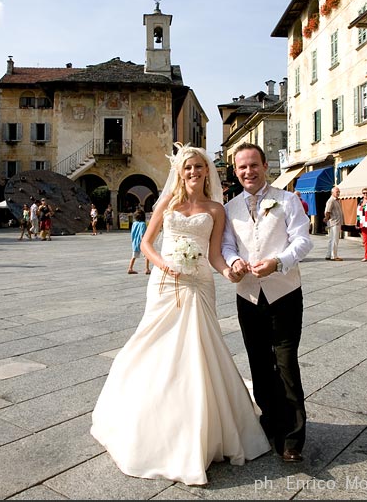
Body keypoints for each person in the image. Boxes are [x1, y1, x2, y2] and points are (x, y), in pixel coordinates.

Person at [90, 143, 270, 486]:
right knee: (153, 343)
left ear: (206, 172)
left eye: (198, 168)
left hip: (199, 283)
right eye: (187, 168)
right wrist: (163, 265)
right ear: (180, 172)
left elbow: (216, 254)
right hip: (165, 281)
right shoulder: (168, 203)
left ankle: (200, 426)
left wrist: (230, 271)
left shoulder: (216, 210)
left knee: (199, 350)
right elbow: (147, 243)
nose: (193, 173)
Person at [221, 142, 313, 464]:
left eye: (254, 165)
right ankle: (270, 425)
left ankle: (292, 438)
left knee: (286, 363)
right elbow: (227, 245)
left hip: (285, 292)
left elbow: (303, 239)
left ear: (265, 166)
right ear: (236, 171)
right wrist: (233, 263)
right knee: (259, 364)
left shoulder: (287, 200)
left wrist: (279, 261)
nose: (249, 171)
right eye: (242, 167)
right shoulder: (230, 207)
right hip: (247, 296)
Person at [323, 186, 345, 261]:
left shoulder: (336, 200)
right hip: (334, 222)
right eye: (337, 192)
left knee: (331, 239)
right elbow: (327, 211)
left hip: (337, 221)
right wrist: (326, 218)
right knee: (335, 240)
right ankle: (334, 256)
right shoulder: (331, 200)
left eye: (339, 192)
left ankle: (328, 255)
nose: (338, 193)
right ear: (332, 193)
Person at [127, 209, 151, 274]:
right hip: (141, 242)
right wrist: (144, 243)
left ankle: (130, 268)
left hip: (135, 241)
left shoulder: (134, 223)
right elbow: (142, 234)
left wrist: (133, 240)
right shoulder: (143, 224)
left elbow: (132, 233)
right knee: (146, 255)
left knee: (134, 256)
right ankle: (147, 269)